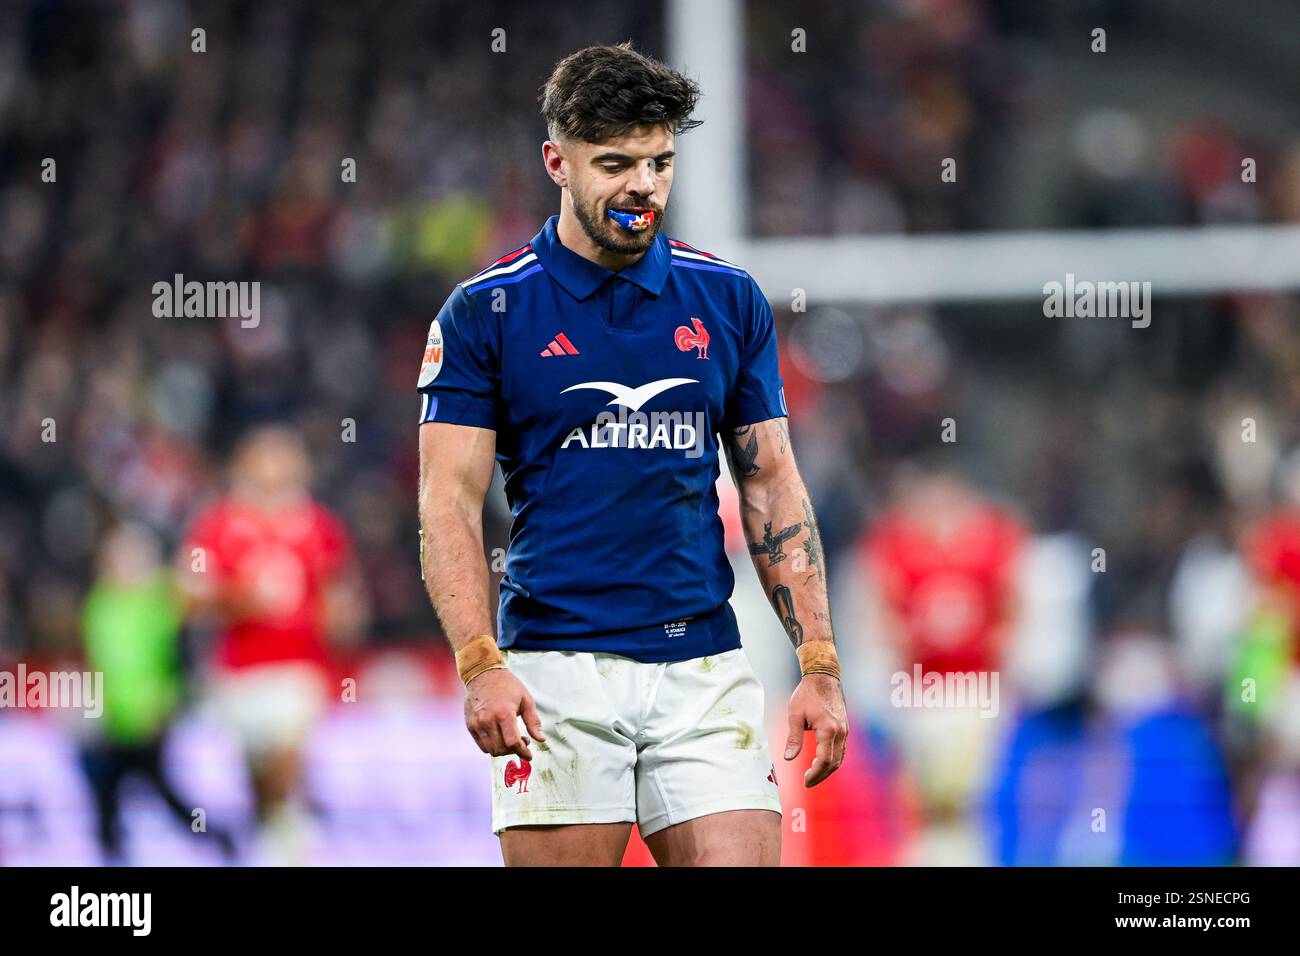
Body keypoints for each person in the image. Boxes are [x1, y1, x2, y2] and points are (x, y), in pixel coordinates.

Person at [416, 42, 848, 867]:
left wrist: (819, 664)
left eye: (659, 162)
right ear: (557, 162)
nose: (643, 186)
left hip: (703, 664)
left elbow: (770, 485)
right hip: (557, 670)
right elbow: (447, 502)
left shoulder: (727, 300)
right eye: (615, 163)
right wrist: (479, 665)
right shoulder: (486, 312)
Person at [177, 424, 367, 864]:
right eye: (266, 457)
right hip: (239, 671)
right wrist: (238, 599)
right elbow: (188, 597)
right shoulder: (219, 525)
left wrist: (341, 619)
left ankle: (289, 843)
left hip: (299, 669)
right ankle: (275, 836)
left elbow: (342, 594)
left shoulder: (319, 525)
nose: (277, 467)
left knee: (285, 764)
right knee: (259, 778)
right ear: (245, 465)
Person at [80, 522, 236, 863]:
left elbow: (178, 652)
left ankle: (216, 839)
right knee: (127, 791)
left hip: (150, 718)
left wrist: (167, 703)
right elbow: (102, 663)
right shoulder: (101, 605)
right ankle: (216, 839)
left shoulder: (158, 601)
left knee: (135, 791)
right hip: (117, 719)